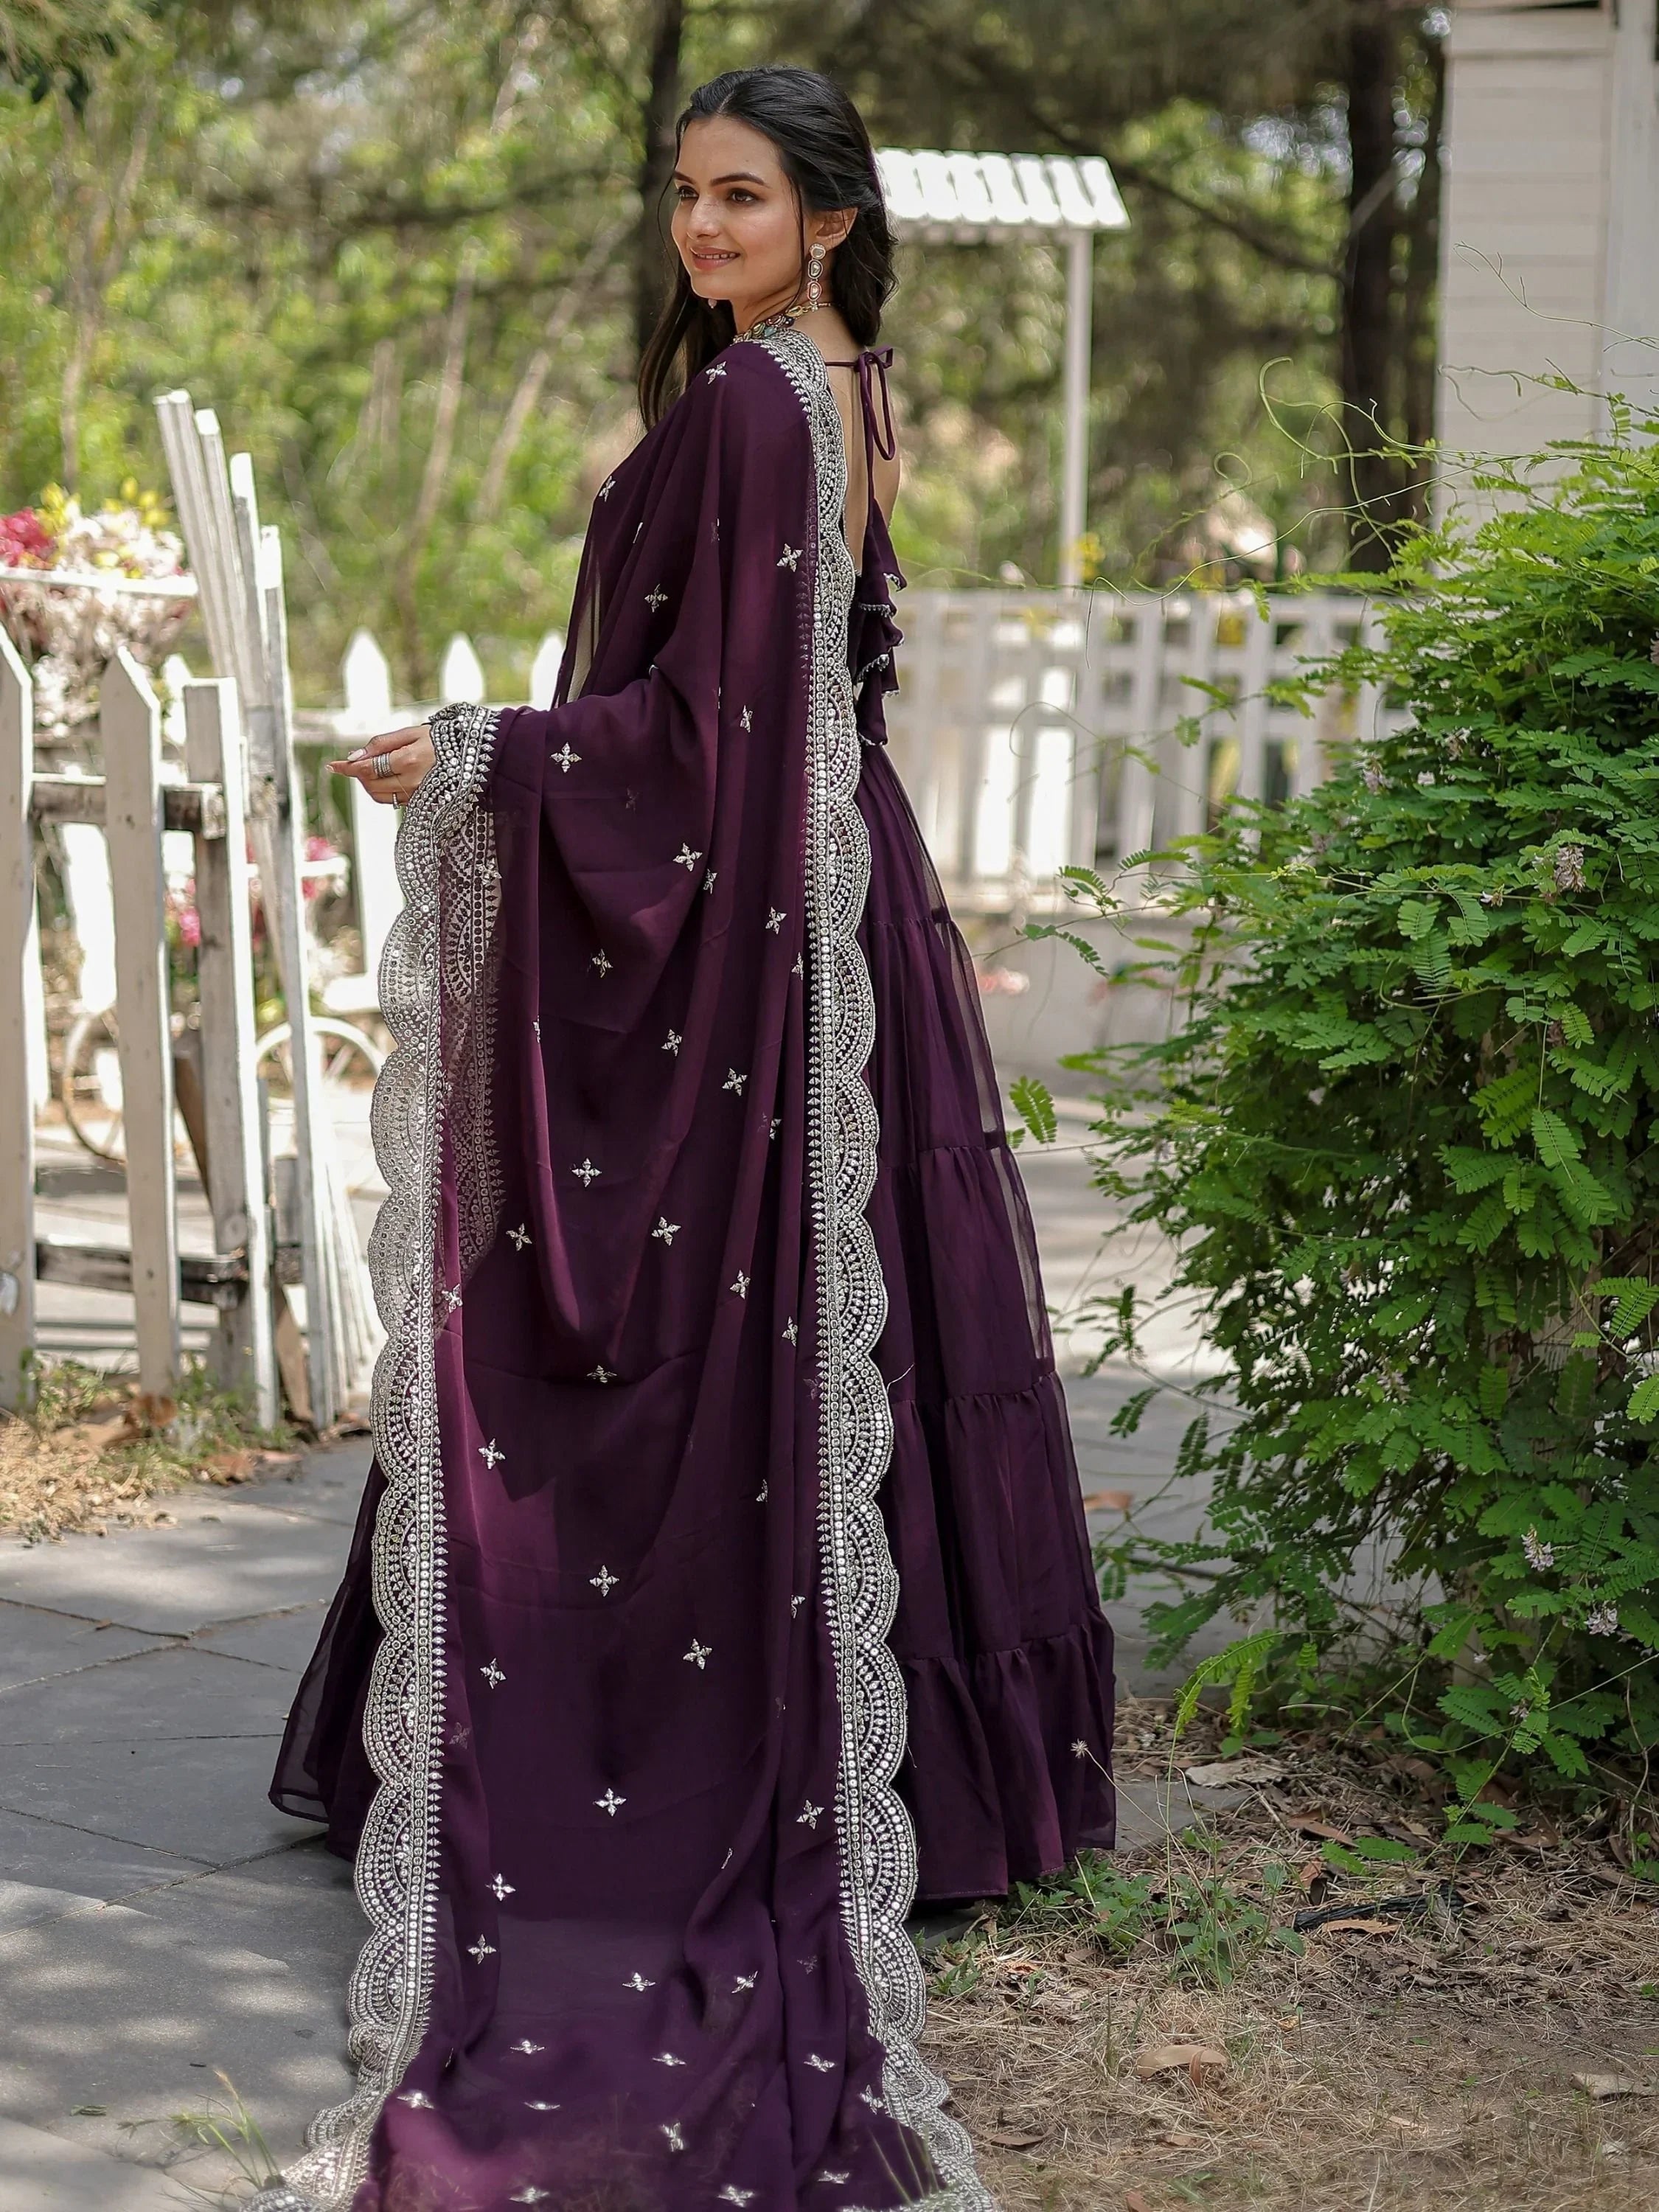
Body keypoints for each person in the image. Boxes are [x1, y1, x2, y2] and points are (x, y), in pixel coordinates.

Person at [261, 64, 1114, 2212]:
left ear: (826, 215)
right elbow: (800, 706)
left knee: (737, 1355)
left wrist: (475, 755)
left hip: (785, 913)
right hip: (850, 902)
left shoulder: (756, 404)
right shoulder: (850, 386)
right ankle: (966, 1796)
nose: (702, 226)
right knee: (876, 1354)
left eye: (742, 197)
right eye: (685, 193)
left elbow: (694, 736)